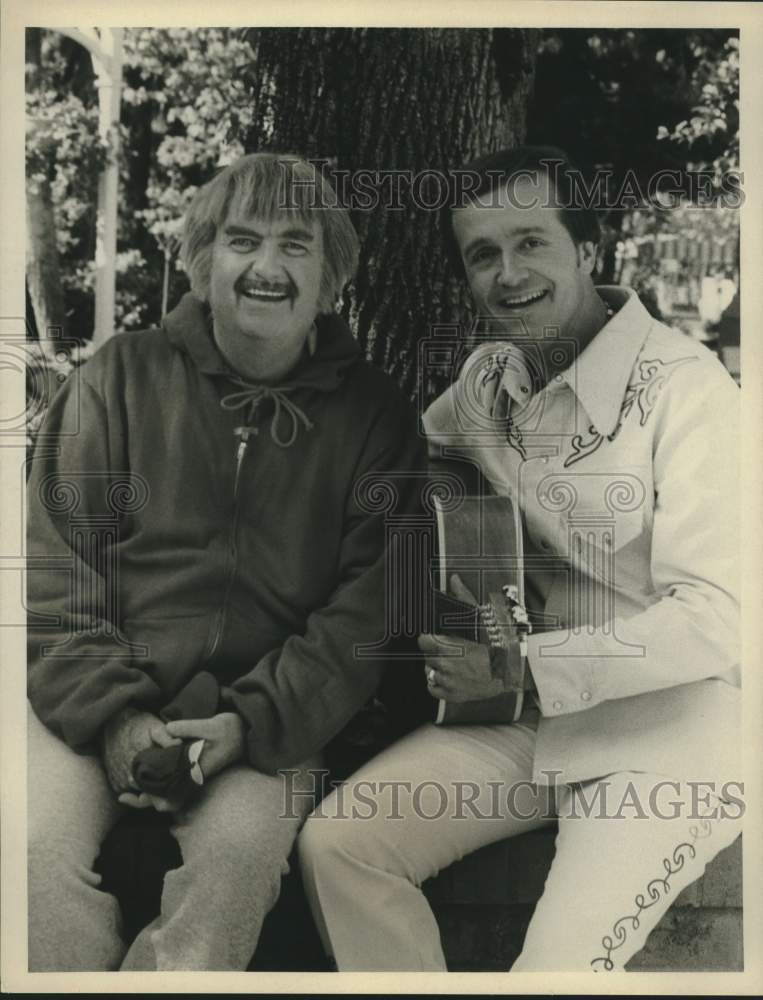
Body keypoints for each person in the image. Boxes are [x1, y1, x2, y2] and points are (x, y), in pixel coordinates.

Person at [298, 146, 743, 971]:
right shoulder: (485, 380)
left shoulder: (691, 390)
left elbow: (718, 621)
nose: (508, 273)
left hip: (672, 735)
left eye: (531, 242)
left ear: (586, 248)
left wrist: (519, 665)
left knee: (558, 975)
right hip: (519, 724)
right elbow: (392, 468)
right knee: (341, 848)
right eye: (482, 254)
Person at [26, 152, 423, 971]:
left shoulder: (376, 417)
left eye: (295, 245)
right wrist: (115, 716)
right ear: (203, 263)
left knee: (236, 863)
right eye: (241, 241)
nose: (266, 267)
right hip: (90, 708)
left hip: (266, 725)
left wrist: (251, 724)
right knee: (27, 857)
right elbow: (58, 565)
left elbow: (368, 607)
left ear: (331, 277)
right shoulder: (116, 377)